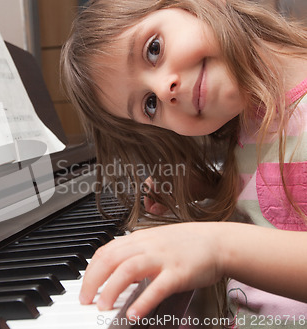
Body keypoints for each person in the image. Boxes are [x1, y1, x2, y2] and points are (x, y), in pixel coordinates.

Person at [60, 0, 307, 326]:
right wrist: (209, 185)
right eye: (150, 105)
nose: (164, 90)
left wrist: (218, 248)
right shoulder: (250, 119)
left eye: (153, 49)